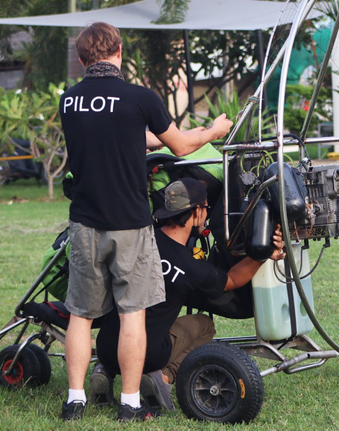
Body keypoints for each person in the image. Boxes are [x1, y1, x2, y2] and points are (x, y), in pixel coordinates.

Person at [59, 22, 232, 422]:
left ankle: (74, 401)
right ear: (119, 52)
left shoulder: (69, 101)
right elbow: (182, 146)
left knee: (81, 315)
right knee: (131, 313)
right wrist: (213, 130)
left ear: (83, 59)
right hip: (131, 224)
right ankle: (130, 404)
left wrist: (167, 135)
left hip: (85, 224)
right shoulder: (140, 98)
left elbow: (121, 137)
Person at [93, 178, 285, 410]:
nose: (206, 212)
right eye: (205, 207)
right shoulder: (190, 267)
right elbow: (233, 279)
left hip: (105, 346)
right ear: (195, 212)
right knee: (203, 324)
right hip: (147, 355)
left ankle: (104, 368)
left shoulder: (140, 239)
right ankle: (162, 376)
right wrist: (261, 254)